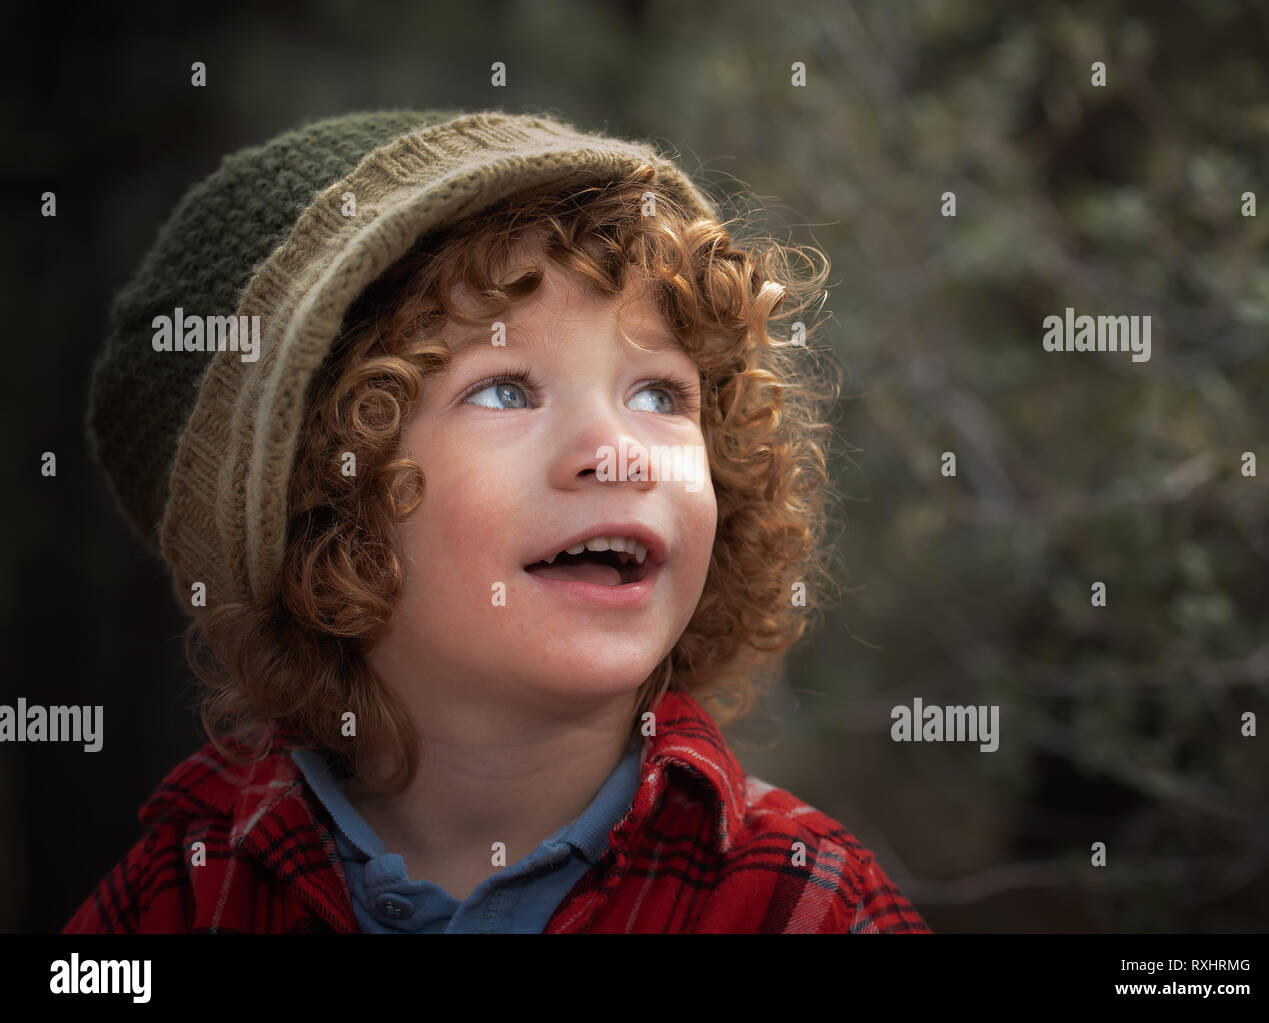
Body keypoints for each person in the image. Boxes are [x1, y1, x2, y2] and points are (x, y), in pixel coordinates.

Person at [65, 108, 929, 933]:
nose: (617, 451)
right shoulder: (184, 888)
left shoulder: (801, 900)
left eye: (660, 393)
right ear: (322, 505)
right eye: (506, 389)